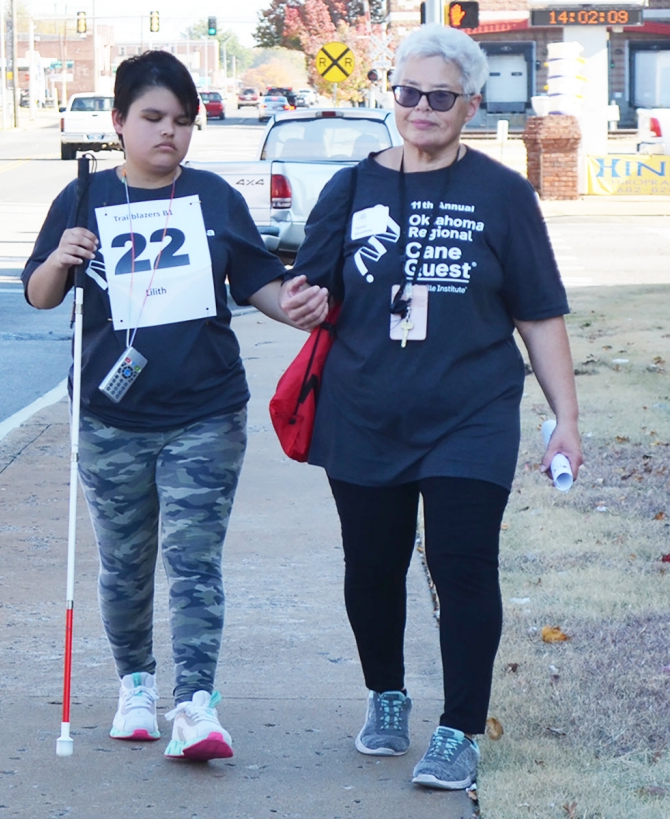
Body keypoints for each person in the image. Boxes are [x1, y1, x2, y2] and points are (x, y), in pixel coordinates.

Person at [281, 25, 584, 790]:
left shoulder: (502, 195)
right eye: (409, 93)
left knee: (463, 564)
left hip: (470, 413)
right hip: (364, 410)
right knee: (373, 569)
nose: (421, 108)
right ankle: (387, 692)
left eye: (440, 97)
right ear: (395, 97)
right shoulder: (351, 189)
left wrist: (566, 422)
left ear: (470, 105)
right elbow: (308, 292)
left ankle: (459, 729)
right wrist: (301, 302)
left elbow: (539, 312)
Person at [22, 50, 325, 761]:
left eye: (184, 122)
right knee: (126, 562)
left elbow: (259, 282)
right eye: (154, 118)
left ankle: (195, 703)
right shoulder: (83, 197)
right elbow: (39, 294)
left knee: (193, 560)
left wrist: (304, 307)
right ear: (119, 121)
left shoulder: (215, 197)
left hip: (205, 411)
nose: (170, 134)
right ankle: (136, 682)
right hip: (110, 415)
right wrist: (61, 257)